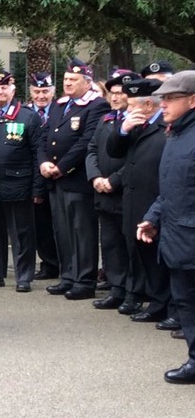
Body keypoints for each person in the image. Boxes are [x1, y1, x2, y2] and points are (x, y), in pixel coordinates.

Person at [137, 71, 195, 384]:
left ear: (193, 100)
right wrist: (153, 218)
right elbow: (171, 187)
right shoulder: (176, 134)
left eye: (171, 98)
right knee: (185, 303)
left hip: (190, 236)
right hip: (177, 237)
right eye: (163, 98)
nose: (164, 103)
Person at [39, 58, 109, 300]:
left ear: (87, 83)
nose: (67, 83)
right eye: (66, 79)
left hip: (76, 179)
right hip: (55, 179)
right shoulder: (59, 105)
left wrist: (62, 166)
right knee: (62, 231)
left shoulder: (96, 105)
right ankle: (68, 276)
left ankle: (85, 280)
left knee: (82, 231)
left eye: (73, 80)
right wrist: (43, 162)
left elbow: (87, 141)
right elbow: (45, 135)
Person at [108, 77, 171, 324]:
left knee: (160, 260)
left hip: (155, 201)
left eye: (132, 105)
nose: (128, 109)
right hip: (133, 201)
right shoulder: (135, 125)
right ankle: (157, 303)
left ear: (148, 105)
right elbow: (114, 151)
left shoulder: (165, 127)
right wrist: (123, 130)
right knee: (142, 257)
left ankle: (168, 306)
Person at [0, 70, 44, 293]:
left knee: (22, 233)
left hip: (19, 185)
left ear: (13, 90)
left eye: (4, 88)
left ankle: (24, 276)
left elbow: (37, 155)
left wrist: (37, 188)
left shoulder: (27, 117)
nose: (0, 91)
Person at [86, 70, 137, 311]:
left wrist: (113, 180)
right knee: (110, 243)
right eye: (112, 93)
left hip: (124, 191)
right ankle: (116, 289)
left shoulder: (137, 121)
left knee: (129, 245)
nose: (115, 98)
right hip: (102, 191)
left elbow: (137, 160)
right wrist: (95, 176)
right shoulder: (106, 119)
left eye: (121, 93)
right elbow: (92, 149)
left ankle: (132, 292)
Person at [28, 71, 60, 280]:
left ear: (53, 92)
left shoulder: (60, 111)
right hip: (33, 176)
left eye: (45, 91)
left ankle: (61, 263)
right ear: (31, 92)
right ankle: (48, 263)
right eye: (37, 91)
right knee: (40, 225)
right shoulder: (25, 113)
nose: (41, 96)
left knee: (59, 224)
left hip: (60, 174)